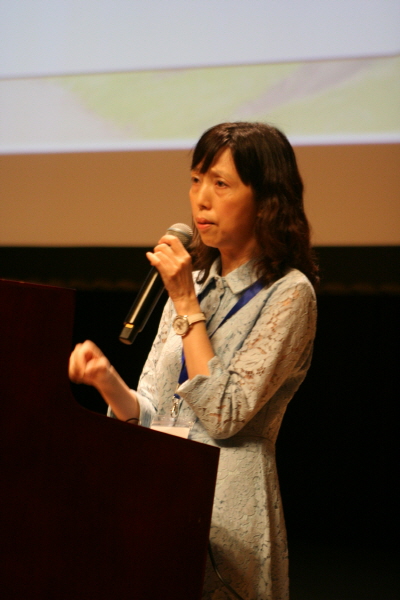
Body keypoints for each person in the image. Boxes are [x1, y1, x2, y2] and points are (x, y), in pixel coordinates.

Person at [69, 122, 318, 600]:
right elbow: (153, 413)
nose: (201, 199)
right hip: (157, 502)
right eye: (196, 180)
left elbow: (224, 415)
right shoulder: (194, 282)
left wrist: (185, 301)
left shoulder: (289, 293)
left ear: (267, 199)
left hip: (227, 516)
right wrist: (107, 382)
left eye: (221, 184)